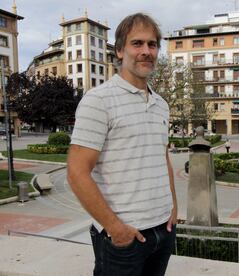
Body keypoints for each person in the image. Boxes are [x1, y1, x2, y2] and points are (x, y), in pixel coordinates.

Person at [67, 13, 177, 276]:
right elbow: (76, 173)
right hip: (124, 239)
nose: (146, 51)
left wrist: (173, 207)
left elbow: (162, 158)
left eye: (152, 45)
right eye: (137, 43)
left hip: (163, 231)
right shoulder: (99, 101)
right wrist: (114, 228)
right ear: (119, 51)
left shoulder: (161, 104)